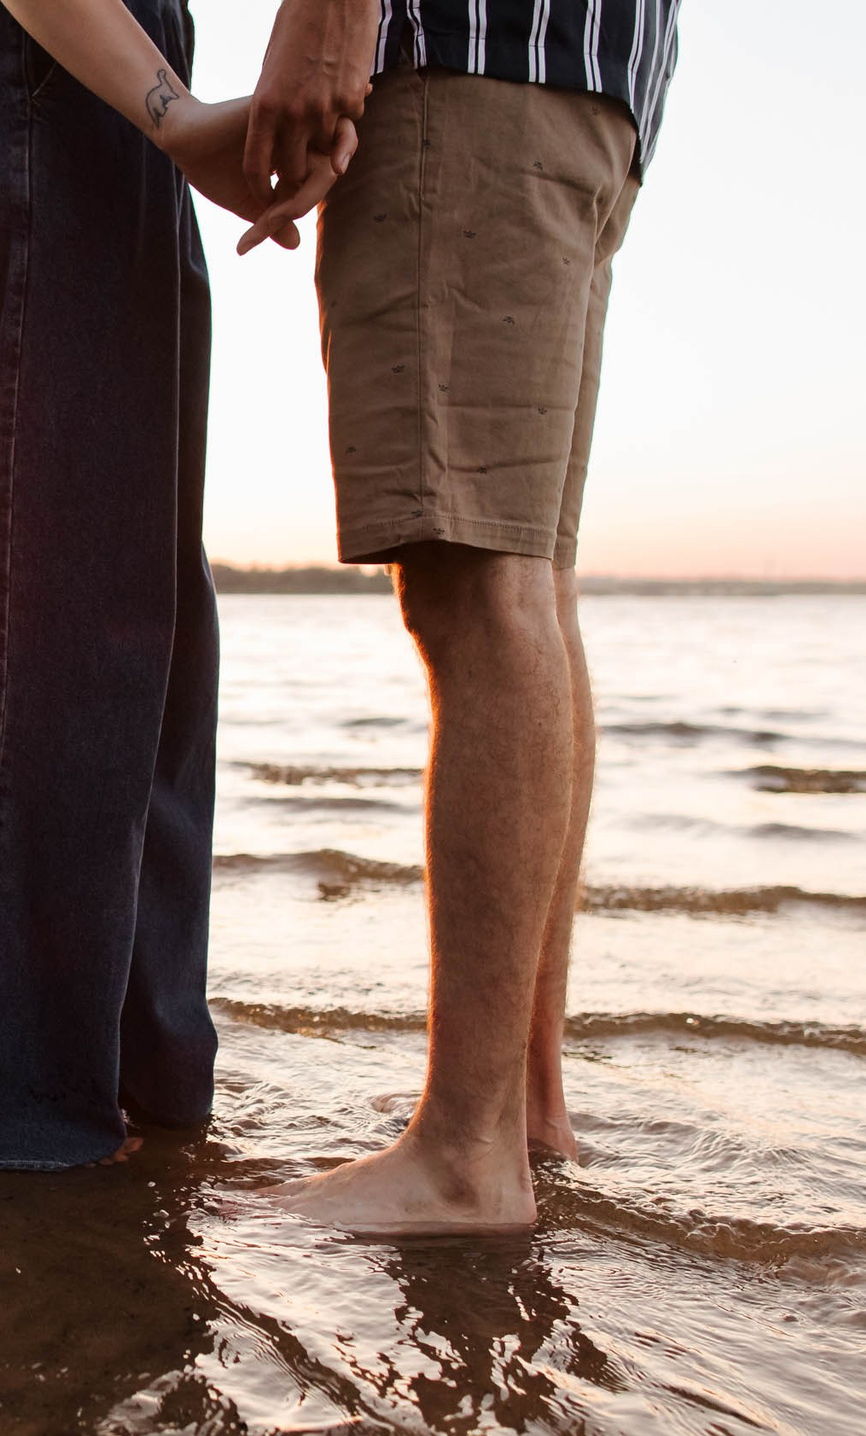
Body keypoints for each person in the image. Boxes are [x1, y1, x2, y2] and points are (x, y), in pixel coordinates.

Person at [0, 0, 347, 1169]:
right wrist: (173, 113)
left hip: (89, 105)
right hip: (40, 90)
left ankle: (130, 1100)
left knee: (138, 638)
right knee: (57, 631)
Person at [252, 0, 684, 1233]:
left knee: (477, 581)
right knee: (530, 577)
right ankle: (522, 1107)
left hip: (466, 59)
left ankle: (464, 1155)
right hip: (589, 78)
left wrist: (331, 17)